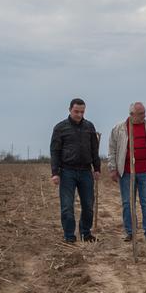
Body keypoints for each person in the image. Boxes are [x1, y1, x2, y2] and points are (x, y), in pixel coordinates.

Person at [109, 101, 146, 241]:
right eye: (141, 114)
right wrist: (113, 168)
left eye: (144, 113)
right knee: (128, 203)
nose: (144, 116)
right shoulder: (119, 129)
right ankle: (130, 232)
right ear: (132, 114)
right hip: (126, 172)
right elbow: (112, 149)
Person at [49, 98, 101, 243]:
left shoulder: (89, 127)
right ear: (70, 110)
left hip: (86, 172)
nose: (79, 114)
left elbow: (94, 150)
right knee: (67, 206)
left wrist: (97, 168)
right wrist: (55, 173)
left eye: (82, 112)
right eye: (76, 111)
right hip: (67, 172)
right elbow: (55, 151)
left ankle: (86, 233)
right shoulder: (60, 128)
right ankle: (69, 236)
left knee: (88, 206)